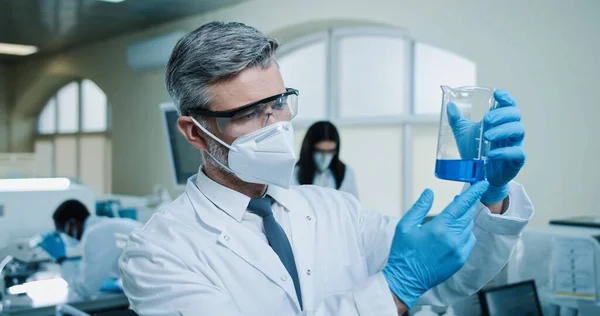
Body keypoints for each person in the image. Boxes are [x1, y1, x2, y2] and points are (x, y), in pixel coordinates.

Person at [119, 22, 533, 316]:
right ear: (194, 132)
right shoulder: (158, 252)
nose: (276, 126)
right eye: (249, 114)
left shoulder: (337, 210)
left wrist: (491, 193)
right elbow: (404, 284)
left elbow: (448, 276)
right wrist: (392, 289)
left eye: (279, 103)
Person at [38, 199, 141, 299]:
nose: (63, 236)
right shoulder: (106, 225)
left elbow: (85, 289)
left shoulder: (93, 234)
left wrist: (61, 259)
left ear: (72, 223)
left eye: (62, 231)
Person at [293, 121, 359, 198]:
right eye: (320, 151)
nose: (325, 157)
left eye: (330, 151)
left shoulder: (346, 173)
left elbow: (353, 206)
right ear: (309, 149)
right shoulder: (294, 173)